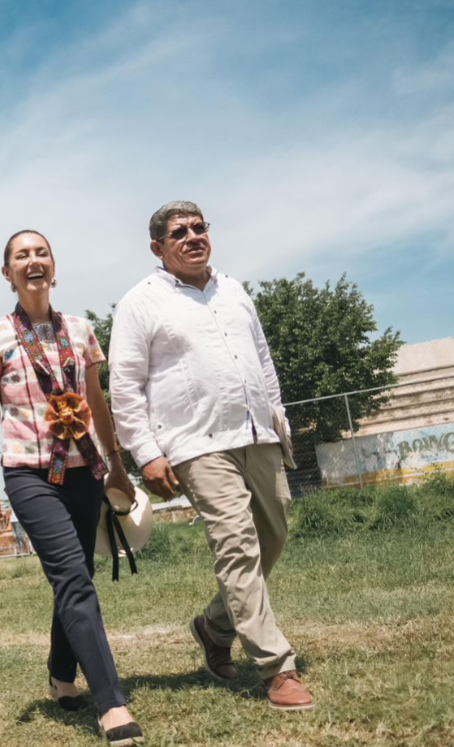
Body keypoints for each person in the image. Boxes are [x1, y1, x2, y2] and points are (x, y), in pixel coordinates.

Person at [107, 201, 313, 712]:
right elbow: (125, 387)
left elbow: (262, 362)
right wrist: (147, 453)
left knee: (273, 536)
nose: (193, 237)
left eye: (200, 228)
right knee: (237, 545)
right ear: (158, 247)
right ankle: (276, 666)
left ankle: (214, 625)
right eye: (180, 232)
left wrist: (279, 419)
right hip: (196, 444)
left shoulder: (234, 289)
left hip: (257, 434)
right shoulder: (140, 303)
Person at [0, 229, 145, 747]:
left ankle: (60, 675)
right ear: (7, 274)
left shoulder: (82, 329)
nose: (33, 261)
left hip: (84, 468)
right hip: (28, 472)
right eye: (21, 255)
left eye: (41, 253)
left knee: (77, 571)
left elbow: (98, 400)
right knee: (72, 575)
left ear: (54, 267)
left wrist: (116, 465)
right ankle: (112, 703)